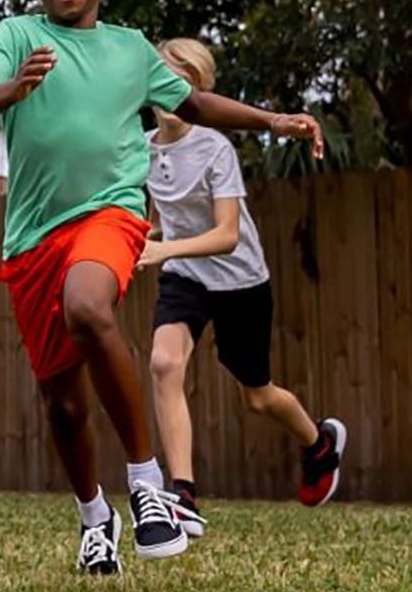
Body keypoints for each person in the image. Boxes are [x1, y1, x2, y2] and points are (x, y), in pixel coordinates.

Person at [0, 0, 322, 577]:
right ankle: (95, 518)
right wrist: (13, 88)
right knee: (64, 405)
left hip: (110, 214)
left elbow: (195, 103)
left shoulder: (130, 49)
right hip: (32, 236)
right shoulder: (17, 36)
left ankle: (148, 483)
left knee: (89, 305)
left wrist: (273, 121)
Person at [144, 37, 346, 536]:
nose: (171, 95)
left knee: (257, 396)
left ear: (199, 92)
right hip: (186, 277)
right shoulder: (142, 149)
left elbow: (226, 234)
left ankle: (319, 444)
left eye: (184, 85)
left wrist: (165, 249)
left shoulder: (215, 149)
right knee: (164, 364)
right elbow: (159, 217)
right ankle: (182, 496)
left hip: (239, 280)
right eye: (163, 82)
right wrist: (140, 239)